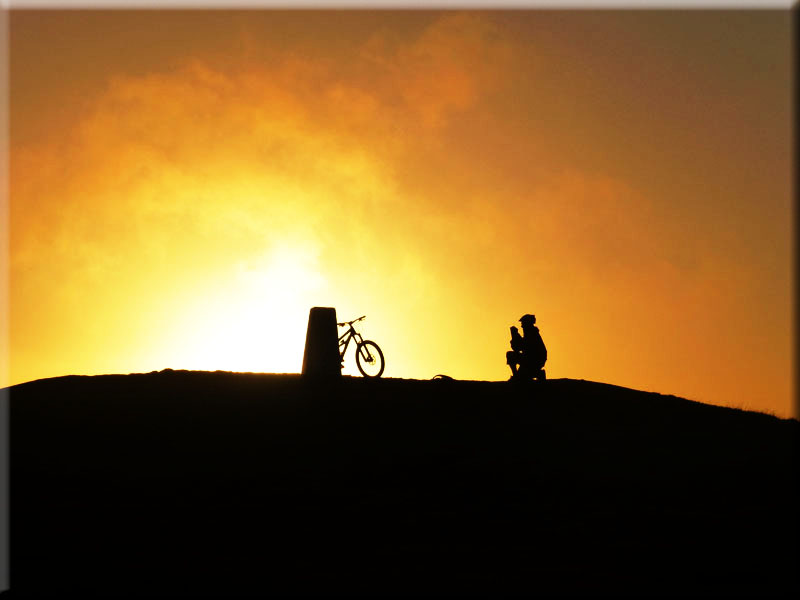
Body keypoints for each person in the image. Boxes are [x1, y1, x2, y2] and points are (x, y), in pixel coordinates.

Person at [506, 314, 547, 381]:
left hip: (533, 360)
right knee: (523, 376)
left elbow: (521, 347)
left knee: (510, 356)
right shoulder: (530, 333)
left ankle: (538, 373)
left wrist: (515, 336)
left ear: (527, 323)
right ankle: (537, 373)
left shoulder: (532, 333)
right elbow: (519, 347)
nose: (522, 326)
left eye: (523, 323)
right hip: (530, 359)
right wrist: (515, 336)